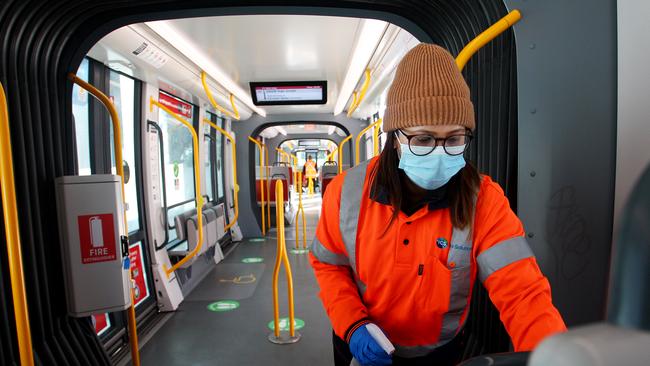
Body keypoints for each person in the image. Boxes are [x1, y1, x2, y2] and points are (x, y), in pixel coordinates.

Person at [309, 44, 566, 366]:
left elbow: (523, 292)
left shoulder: (483, 199)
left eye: (454, 139)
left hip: (440, 354)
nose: (440, 152)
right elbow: (329, 265)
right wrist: (352, 323)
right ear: (394, 138)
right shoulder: (346, 191)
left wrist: (553, 356)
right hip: (360, 343)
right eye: (423, 139)